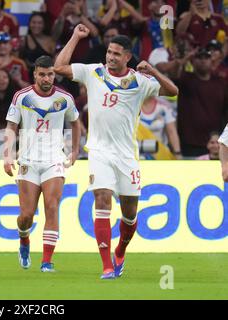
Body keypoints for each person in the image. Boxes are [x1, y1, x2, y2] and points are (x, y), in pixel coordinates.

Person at [54, 24, 178, 279]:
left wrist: (153, 70)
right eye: (109, 52)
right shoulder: (94, 72)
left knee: (130, 214)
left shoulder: (139, 81)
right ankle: (106, 266)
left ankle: (120, 250)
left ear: (128, 57)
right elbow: (59, 67)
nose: (111, 57)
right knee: (101, 199)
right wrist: (76, 37)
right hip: (99, 151)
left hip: (127, 156)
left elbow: (173, 92)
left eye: (117, 54)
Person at [3, 55, 81, 272]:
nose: (47, 78)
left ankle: (47, 261)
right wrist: (7, 155)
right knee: (26, 215)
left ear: (54, 74)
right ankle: (24, 239)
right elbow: (11, 127)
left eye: (50, 74)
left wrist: (74, 151)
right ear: (35, 74)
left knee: (52, 206)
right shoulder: (21, 97)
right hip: (28, 160)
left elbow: (76, 124)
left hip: (54, 159)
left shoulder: (65, 98)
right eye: (42, 74)